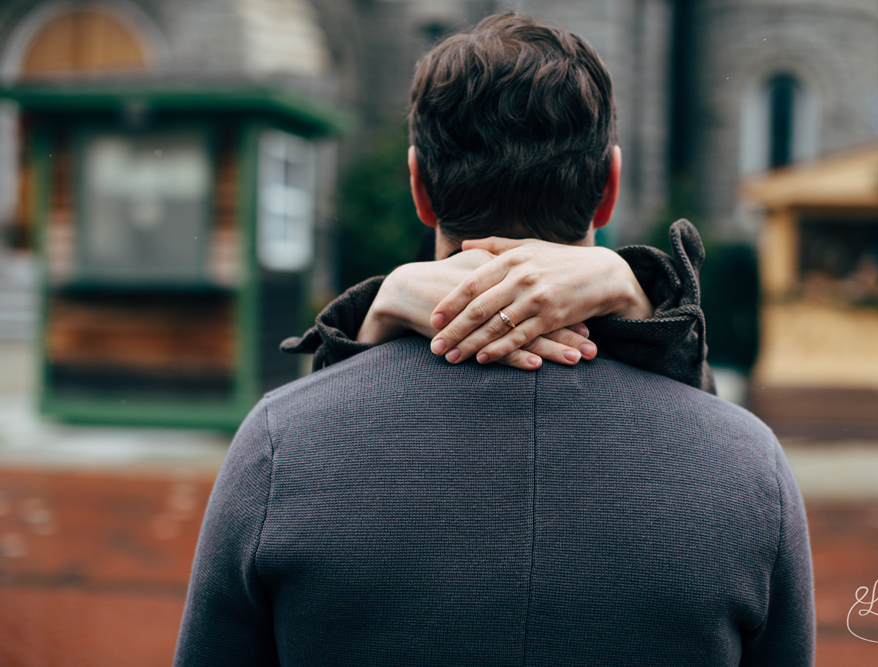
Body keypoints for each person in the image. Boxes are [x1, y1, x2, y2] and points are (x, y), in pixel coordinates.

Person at [175, 12, 814, 666]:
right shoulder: (750, 466)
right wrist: (644, 300)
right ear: (609, 189)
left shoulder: (279, 446)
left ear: (420, 186)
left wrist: (367, 324)